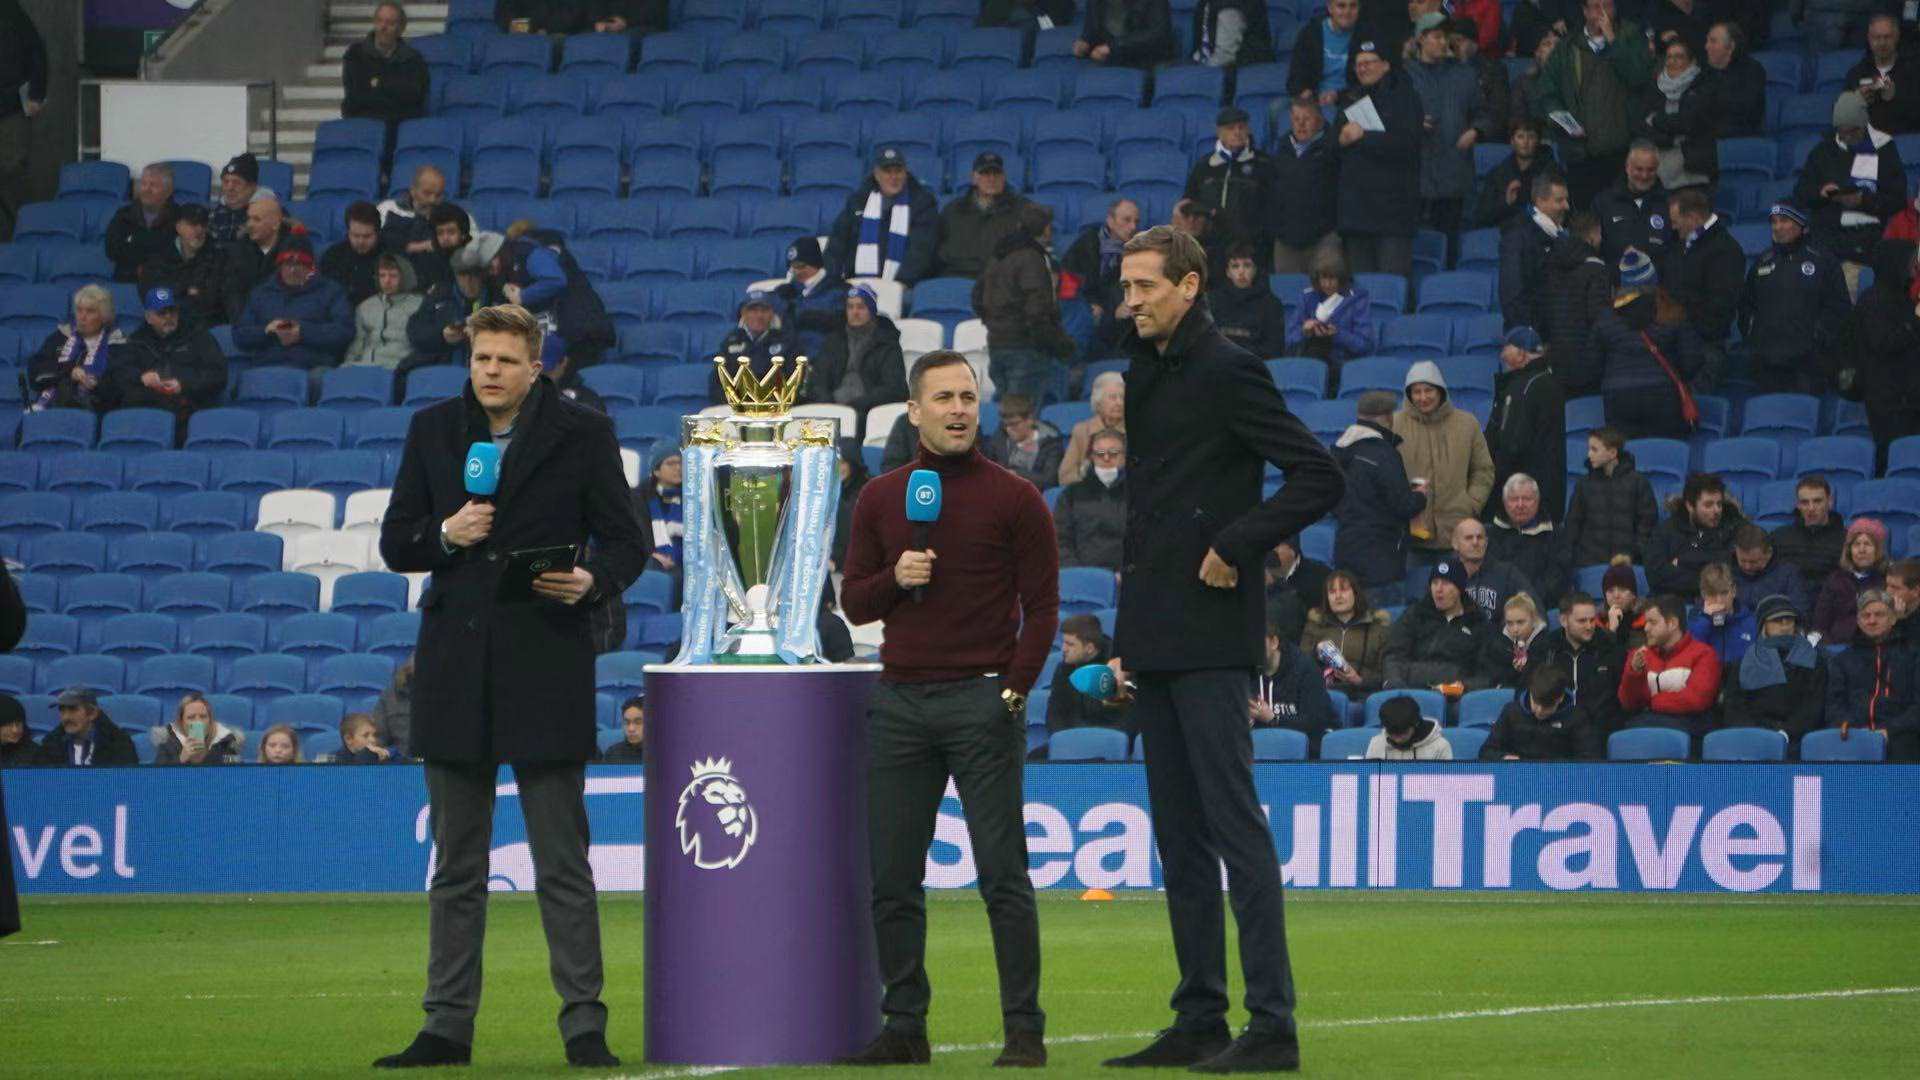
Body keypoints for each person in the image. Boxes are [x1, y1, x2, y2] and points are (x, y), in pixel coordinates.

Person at [374, 303, 648, 1070]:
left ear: (536, 365)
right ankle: (445, 1029)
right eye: (480, 358)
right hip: (455, 666)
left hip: (546, 659)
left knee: (562, 861)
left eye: (504, 359)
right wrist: (445, 535)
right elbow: (396, 542)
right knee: (456, 864)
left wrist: (591, 580)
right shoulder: (433, 428)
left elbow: (628, 542)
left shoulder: (583, 432)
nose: (490, 371)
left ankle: (584, 1027)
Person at [1099, 225, 1339, 1074]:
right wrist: (1127, 638)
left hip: (1211, 632)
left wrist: (1236, 544)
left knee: (1235, 827)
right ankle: (1199, 1017)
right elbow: (1145, 515)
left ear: (1190, 285)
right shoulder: (1142, 370)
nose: (1130, 301)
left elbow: (1320, 475)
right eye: (1126, 287)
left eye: (1144, 287)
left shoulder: (1232, 369)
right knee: (1179, 839)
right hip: (1156, 635)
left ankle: (1273, 1026)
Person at [839, 350, 1058, 1068]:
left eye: (968, 396)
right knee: (893, 880)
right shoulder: (880, 499)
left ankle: (1023, 1031)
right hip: (900, 702)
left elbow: (1044, 609)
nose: (959, 409)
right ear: (914, 411)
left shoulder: (1016, 497)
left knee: (1003, 876)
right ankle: (905, 1027)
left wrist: (1012, 692)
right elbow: (854, 603)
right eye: (944, 398)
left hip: (981, 700)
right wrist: (896, 578)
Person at [1534, 0, 1657, 210]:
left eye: (1607, 6)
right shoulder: (1568, 45)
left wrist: (1613, 41)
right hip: (1580, 152)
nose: (1602, 12)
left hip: (1621, 151)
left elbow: (1639, 77)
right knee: (1584, 217)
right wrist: (1563, 120)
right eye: (1596, 6)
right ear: (1584, 11)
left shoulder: (1632, 36)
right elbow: (1547, 92)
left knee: (1621, 216)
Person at [1589, 250, 1703, 440]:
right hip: (1663, 396)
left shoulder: (1606, 317)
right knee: (1665, 453)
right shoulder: (1671, 311)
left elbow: (1593, 363)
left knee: (1626, 453)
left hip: (1618, 397)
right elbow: (1691, 360)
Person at [1738, 202, 1850, 396]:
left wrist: (1817, 337)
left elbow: (1839, 307)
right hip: (1766, 360)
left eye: (1784, 221)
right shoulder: (1762, 262)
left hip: (1809, 363)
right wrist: (1754, 335)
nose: (1777, 227)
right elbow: (1747, 306)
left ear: (1801, 224)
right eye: (1774, 222)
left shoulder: (1823, 261)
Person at [1796, 91, 1908, 282]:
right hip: (1828, 236)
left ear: (1864, 125)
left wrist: (1863, 200)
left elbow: (1897, 198)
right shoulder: (1822, 152)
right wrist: (1821, 193)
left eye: (1853, 131)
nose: (1847, 136)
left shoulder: (1883, 148)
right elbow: (1801, 192)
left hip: (1868, 238)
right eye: (1842, 131)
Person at [973, 202, 1076, 406]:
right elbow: (1037, 311)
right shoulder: (1033, 258)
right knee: (1024, 414)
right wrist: (1056, 343)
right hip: (1025, 348)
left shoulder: (998, 256)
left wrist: (995, 324)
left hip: (997, 343)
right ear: (1046, 229)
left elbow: (977, 296)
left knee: (1007, 413)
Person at [1335, 39, 1423, 276]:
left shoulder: (1406, 99)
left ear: (1385, 65)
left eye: (1369, 62)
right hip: (1356, 215)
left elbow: (1408, 144)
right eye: (1359, 64)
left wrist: (1363, 137)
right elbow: (1333, 145)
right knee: (1361, 289)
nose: (1363, 68)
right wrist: (1341, 140)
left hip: (1393, 214)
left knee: (1390, 285)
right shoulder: (1349, 99)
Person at [1331, 389, 1427, 605]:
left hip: (1345, 551)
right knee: (1383, 620)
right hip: (1381, 559)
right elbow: (1403, 505)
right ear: (1387, 417)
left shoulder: (1338, 451)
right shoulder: (1384, 454)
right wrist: (1420, 496)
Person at [1393, 360, 1495, 560]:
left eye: (1428, 390)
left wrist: (1471, 503)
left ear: (1440, 390)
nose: (1423, 397)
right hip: (1411, 534)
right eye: (1416, 392)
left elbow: (1483, 470)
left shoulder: (1467, 424)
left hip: (1458, 531)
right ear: (1409, 395)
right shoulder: (1394, 425)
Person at [488, 222, 614, 382]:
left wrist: (522, 296)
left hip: (577, 333)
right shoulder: (557, 259)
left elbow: (555, 281)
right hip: (587, 331)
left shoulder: (535, 256)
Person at [1403, 12, 1488, 238]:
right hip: (1416, 174)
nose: (1443, 42)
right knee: (1417, 245)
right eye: (1437, 37)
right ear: (1421, 39)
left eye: (1446, 37)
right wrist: (1412, 120)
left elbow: (1483, 112)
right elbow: (1390, 115)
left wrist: (1475, 130)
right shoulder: (1404, 75)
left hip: (1454, 173)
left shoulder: (1465, 74)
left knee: (1450, 243)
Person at [1722, 593, 1826, 750]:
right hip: (1752, 741)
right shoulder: (1743, 663)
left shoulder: (1813, 660)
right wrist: (1758, 735)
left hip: (1798, 742)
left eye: (1789, 619)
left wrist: (1786, 733)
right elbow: (1734, 707)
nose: (1784, 624)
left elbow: (1813, 707)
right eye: (1777, 620)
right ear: (1763, 624)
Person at [1617, 592, 1720, 749]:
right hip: (1645, 726)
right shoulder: (1639, 655)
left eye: (1652, 622)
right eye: (1646, 622)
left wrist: (1653, 702)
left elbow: (1696, 700)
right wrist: (1634, 673)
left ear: (1672, 623)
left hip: (1688, 730)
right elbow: (1628, 703)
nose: (1646, 628)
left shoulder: (1704, 654)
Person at [234, 246, 356, 375]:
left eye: (299, 264)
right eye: (288, 264)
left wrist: (302, 332)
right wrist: (266, 331)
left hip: (312, 367)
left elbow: (344, 331)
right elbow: (240, 334)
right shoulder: (261, 293)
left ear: (310, 267)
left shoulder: (331, 291)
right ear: (280, 266)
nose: (293, 270)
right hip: (267, 365)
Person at [827, 146, 940, 286]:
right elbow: (837, 243)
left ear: (905, 173)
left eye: (898, 171)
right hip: (856, 283)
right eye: (887, 172)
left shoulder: (922, 203)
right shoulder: (858, 201)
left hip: (905, 285)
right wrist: (833, 279)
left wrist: (898, 284)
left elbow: (921, 251)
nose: (894, 177)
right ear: (876, 174)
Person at [1663, 187, 1742, 385]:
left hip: (1705, 350)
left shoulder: (1724, 250)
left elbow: (1720, 305)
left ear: (1692, 218)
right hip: (1677, 344)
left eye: (1676, 221)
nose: (1673, 227)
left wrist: (1681, 317)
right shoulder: (1678, 247)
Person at [1486, 327, 1567, 521]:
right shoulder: (1543, 381)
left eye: (1506, 348)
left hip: (1524, 490)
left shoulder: (1526, 386)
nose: (1502, 355)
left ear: (1521, 353)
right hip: (1540, 489)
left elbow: (1513, 441)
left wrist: (1495, 479)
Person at [111, 286, 228, 418]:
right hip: (147, 407)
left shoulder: (197, 336)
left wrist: (183, 384)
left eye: (172, 311)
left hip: (190, 407)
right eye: (162, 313)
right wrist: (141, 378)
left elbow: (218, 374)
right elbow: (120, 375)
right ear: (148, 317)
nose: (168, 317)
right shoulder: (136, 341)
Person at [806, 284, 905, 433]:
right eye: (850, 307)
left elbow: (893, 387)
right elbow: (818, 379)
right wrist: (828, 403)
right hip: (831, 407)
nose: (855, 312)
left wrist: (856, 405)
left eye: (861, 307)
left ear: (871, 310)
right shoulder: (834, 340)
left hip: (867, 411)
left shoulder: (887, 343)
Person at [1383, 559, 1489, 693]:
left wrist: (1462, 687)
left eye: (1446, 583)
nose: (1439, 589)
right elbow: (1394, 655)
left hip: (1455, 695)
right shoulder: (1416, 614)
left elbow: (1485, 672)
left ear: (1460, 588)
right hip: (1411, 690)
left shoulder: (1476, 621)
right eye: (1435, 583)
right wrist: (1395, 683)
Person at [1184, 106, 1273, 259]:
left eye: (1241, 127)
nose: (1237, 132)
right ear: (1219, 132)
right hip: (1211, 247)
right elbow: (1189, 202)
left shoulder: (1263, 164)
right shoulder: (1204, 165)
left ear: (1248, 130)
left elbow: (1272, 208)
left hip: (1251, 249)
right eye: (1231, 128)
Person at [341, 1, 429, 154]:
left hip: (399, 132)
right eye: (379, 21)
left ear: (401, 28)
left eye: (390, 23)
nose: (383, 27)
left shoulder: (413, 59)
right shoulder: (355, 55)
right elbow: (355, 97)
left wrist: (378, 84)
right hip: (363, 129)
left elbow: (414, 98)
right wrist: (393, 88)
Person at [1632, 36, 1718, 192]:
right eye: (1669, 57)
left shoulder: (1703, 85)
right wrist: (1668, 139)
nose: (1672, 61)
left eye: (1679, 57)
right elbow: (1640, 125)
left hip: (1694, 168)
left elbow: (1689, 122)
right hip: (1657, 165)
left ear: (1691, 61)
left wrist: (1656, 120)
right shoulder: (1654, 87)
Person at [1564, 427, 1659, 567]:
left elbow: (1648, 526)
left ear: (1613, 453)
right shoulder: (1583, 485)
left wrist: (1632, 555)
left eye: (1594, 449)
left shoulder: (1638, 483)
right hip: (1588, 564)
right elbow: (1572, 526)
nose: (1589, 454)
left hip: (1628, 564)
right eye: (1589, 449)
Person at [25, 285, 128, 413]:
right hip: (54, 405)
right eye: (79, 310)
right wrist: (70, 371)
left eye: (90, 311)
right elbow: (36, 370)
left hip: (97, 409)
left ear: (104, 316)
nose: (82, 317)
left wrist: (96, 383)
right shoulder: (60, 337)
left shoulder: (117, 344)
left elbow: (121, 384)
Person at [1268, 99, 1343, 274]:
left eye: (1306, 119)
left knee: (1327, 287)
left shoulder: (1334, 147)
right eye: (1296, 119)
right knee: (1287, 289)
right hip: (1286, 239)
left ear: (1320, 120)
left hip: (1324, 236)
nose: (1300, 124)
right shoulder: (1282, 147)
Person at [1541, 212, 1612, 398]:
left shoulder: (1553, 267)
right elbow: (1599, 317)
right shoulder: (1597, 271)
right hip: (1589, 366)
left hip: (1558, 362)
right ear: (1592, 235)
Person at [1536, 590, 1624, 735]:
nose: (1589, 626)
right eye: (1582, 621)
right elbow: (1530, 690)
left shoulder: (1609, 646)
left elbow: (1618, 697)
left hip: (1597, 729)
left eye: (1592, 620)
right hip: (1553, 727)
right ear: (1563, 620)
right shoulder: (1546, 648)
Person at [936, 152, 1033, 279]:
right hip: (956, 276)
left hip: (1003, 279)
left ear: (1004, 177)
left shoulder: (1022, 208)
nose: (992, 179)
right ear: (974, 178)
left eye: (996, 173)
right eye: (985, 173)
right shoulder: (952, 210)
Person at [1300, 569, 1391, 699]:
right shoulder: (1316, 626)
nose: (1338, 596)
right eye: (1332, 592)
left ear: (1355, 593)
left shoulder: (1377, 628)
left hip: (1363, 696)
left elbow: (1386, 674)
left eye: (1343, 590)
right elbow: (1302, 666)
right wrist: (1316, 653)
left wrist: (1359, 680)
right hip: (1321, 694)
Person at [1646, 473, 1742, 597]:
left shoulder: (1733, 526)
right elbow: (1656, 576)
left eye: (1719, 504)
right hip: (1669, 602)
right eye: (1708, 505)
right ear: (1690, 506)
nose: (1716, 510)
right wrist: (1707, 577)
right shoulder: (1666, 531)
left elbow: (1733, 570)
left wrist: (1682, 562)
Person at [1060, 197, 1139, 347]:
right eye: (1127, 220)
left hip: (1119, 317)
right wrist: (1089, 306)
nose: (1133, 226)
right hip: (1086, 310)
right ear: (1110, 221)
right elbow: (1068, 285)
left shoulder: (1138, 251)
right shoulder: (1086, 245)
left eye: (1136, 221)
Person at [1481, 663, 1602, 759]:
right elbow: (1487, 751)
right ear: (1531, 692)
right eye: (1536, 702)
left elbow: (1589, 760)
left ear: (1560, 698)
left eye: (1547, 706)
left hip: (1559, 778)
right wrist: (1503, 758)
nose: (1539, 711)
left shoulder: (1577, 718)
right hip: (1519, 775)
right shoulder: (1511, 712)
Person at [0, 0, 47, 240]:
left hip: (10, 107)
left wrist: (36, 93)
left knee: (12, 170)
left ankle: (21, 236)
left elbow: (35, 50)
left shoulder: (8, 9)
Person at [1252, 625, 1338, 755]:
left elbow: (1314, 723)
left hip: (1307, 754)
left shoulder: (1306, 669)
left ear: (1274, 642)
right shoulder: (1245, 674)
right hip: (1262, 751)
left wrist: (1273, 719)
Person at [1500, 176, 1569, 338]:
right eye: (1559, 201)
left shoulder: (1562, 236)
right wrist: (1527, 338)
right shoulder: (1518, 236)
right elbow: (1513, 293)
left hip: (1559, 334)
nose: (1566, 206)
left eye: (1566, 200)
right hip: (1532, 339)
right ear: (1540, 201)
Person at [1045, 614, 1130, 743]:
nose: (1063, 649)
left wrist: (1091, 740)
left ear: (1089, 648)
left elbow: (1127, 719)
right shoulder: (1063, 670)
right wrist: (1065, 740)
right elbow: (1055, 714)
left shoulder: (1119, 670)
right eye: (1063, 642)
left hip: (1107, 745)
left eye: (1070, 644)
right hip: (1070, 743)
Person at [221, 195, 306, 322]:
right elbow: (232, 291)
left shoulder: (296, 250)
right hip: (245, 322)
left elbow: (295, 294)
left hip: (283, 322)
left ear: (275, 224)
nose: (249, 225)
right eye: (248, 219)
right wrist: (244, 322)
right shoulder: (239, 248)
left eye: (257, 219)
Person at [1284, 248, 1373, 370]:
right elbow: (1289, 339)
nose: (1327, 284)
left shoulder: (1358, 299)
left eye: (1332, 278)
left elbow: (1365, 345)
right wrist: (1304, 332)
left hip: (1343, 364)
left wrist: (1338, 334)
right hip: (1309, 360)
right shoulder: (1307, 297)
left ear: (1341, 278)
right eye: (1323, 278)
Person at [140, 202, 228, 327]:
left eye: (203, 225)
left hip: (203, 325)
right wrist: (186, 289)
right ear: (178, 227)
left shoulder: (217, 256)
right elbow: (150, 291)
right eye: (193, 224)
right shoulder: (160, 253)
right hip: (162, 320)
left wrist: (174, 291)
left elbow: (212, 299)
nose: (199, 230)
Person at [1490, 474, 1571, 605]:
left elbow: (1557, 579)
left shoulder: (1557, 535)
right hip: (1498, 607)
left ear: (1537, 501)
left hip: (1541, 608)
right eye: (1514, 499)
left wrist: (1527, 602)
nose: (1520, 505)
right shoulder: (1489, 535)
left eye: (1527, 499)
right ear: (1504, 503)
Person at [1054, 427, 1126, 571]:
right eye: (1100, 453)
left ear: (1125, 456)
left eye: (1113, 453)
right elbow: (1060, 541)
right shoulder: (1071, 495)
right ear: (1092, 457)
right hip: (1083, 575)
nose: (1106, 458)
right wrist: (1082, 575)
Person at [709, 290, 800, 404]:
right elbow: (718, 382)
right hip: (738, 408)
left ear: (771, 313)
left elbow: (794, 380)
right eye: (753, 310)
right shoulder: (730, 342)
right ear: (743, 313)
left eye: (764, 310)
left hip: (776, 407)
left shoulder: (787, 341)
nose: (759, 315)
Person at [1812, 517, 1891, 646]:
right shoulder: (1835, 580)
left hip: (1876, 645)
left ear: (1878, 550)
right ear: (1849, 550)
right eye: (1856, 544)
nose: (1861, 550)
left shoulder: (1886, 580)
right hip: (1838, 644)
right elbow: (1820, 623)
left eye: (1867, 544)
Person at [1593, 143, 1673, 268]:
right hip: (1617, 278)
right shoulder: (1604, 202)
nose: (1644, 176)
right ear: (1627, 167)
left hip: (1660, 278)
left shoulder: (1669, 202)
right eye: (1639, 169)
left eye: (1650, 170)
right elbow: (1593, 246)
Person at [772, 236, 848, 361]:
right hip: (785, 359)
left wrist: (814, 317)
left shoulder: (840, 291)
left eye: (800, 266)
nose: (795, 271)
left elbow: (844, 324)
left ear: (815, 263)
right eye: (792, 267)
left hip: (822, 359)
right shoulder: (785, 292)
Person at [1477, 120, 1560, 232]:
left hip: (1541, 231)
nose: (1525, 142)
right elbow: (1482, 216)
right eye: (1520, 136)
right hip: (1505, 231)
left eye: (1531, 137)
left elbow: (1559, 210)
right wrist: (1506, 202)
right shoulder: (1498, 173)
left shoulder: (1551, 172)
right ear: (1512, 141)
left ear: (1538, 141)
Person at [1450, 516, 1535, 625]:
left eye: (1480, 537)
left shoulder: (1507, 573)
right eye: (1468, 538)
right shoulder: (1445, 574)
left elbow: (1534, 610)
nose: (1475, 542)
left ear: (1486, 543)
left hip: (1497, 634)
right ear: (1455, 544)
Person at [104, 163, 180, 283]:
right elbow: (111, 250)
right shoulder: (124, 215)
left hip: (165, 282)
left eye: (153, 185)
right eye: (143, 184)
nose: (146, 189)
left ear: (168, 191)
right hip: (127, 279)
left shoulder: (179, 217)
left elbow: (177, 254)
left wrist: (136, 247)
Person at [1845, 14, 1920, 136]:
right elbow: (1841, 118)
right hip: (1867, 142)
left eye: (1887, 37)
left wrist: (1894, 98)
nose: (1882, 43)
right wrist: (1857, 102)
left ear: (1897, 37)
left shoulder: (1913, 71)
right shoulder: (1857, 73)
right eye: (1877, 38)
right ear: (1869, 39)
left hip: (1906, 141)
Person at [345, 253, 423, 370]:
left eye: (393, 276)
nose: (387, 281)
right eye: (382, 275)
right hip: (365, 366)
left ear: (405, 277)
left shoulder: (419, 305)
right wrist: (347, 366)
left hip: (399, 368)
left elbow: (421, 345)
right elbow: (357, 344)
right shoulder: (365, 306)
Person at [1209, 243, 1287, 358]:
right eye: (1235, 266)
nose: (1241, 272)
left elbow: (1274, 348)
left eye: (1247, 265)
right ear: (1228, 272)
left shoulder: (1271, 304)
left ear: (1255, 270)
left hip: (1255, 364)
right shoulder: (1213, 300)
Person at [32, 688, 139, 767]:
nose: (66, 717)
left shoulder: (118, 744)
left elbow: (125, 783)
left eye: (73, 709)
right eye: (62, 710)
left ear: (92, 713)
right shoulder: (51, 744)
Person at [981, 393, 1065, 491]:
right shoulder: (1001, 435)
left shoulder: (1051, 441)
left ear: (1030, 420)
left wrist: (1017, 474)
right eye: (1006, 425)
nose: (1009, 429)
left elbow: (1050, 480)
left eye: (1014, 424)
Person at [1773, 476, 1847, 587]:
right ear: (1797, 505)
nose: (1811, 508)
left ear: (1830, 501)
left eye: (1817, 501)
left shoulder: (1846, 539)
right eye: (1804, 502)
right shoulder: (1779, 537)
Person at [1057, 371, 1126, 485]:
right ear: (1098, 402)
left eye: (1122, 397)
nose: (1119, 403)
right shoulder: (1082, 431)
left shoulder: (1137, 429)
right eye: (1113, 397)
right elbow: (1065, 476)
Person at [1286, 0, 1362, 103]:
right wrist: (1305, 93)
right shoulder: (1310, 33)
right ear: (1330, 8)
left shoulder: (1366, 34)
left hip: (1352, 100)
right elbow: (1295, 74)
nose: (1347, 11)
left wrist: (1338, 96)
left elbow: (1369, 82)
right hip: (1314, 100)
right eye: (1341, 6)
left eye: (1353, 6)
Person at [320, 201, 393, 308]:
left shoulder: (391, 256)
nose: (360, 241)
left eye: (367, 236)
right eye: (355, 235)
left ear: (377, 233)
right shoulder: (333, 256)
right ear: (348, 232)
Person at [1263, 536, 1331, 648]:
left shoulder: (1319, 577)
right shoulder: (1260, 576)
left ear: (1292, 550)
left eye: (1276, 547)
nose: (1270, 554)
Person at [377, 164, 454, 263]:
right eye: (427, 193)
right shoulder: (387, 208)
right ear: (413, 191)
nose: (432, 200)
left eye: (438, 195)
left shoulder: (453, 217)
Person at [1687, 562, 1756, 666]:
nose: (1719, 601)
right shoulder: (1695, 620)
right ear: (1703, 595)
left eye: (1724, 593)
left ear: (1733, 591)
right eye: (1712, 594)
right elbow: (1690, 656)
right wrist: (1706, 620)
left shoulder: (1750, 621)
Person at [1073, 0, 1176, 69]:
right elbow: (1091, 31)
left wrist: (1112, 47)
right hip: (1111, 60)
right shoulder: (1095, 2)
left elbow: (1158, 34)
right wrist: (1084, 43)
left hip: (1147, 61)